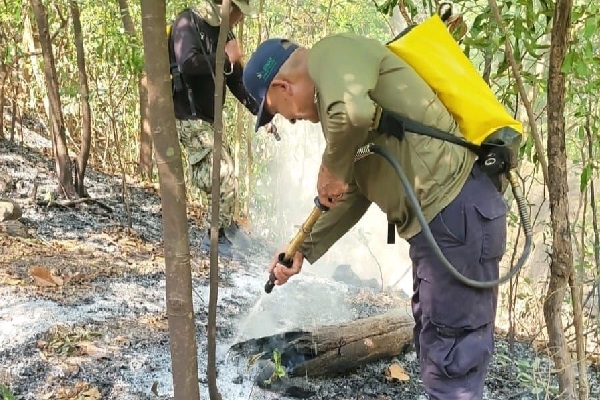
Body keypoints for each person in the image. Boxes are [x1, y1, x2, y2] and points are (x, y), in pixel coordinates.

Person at [242, 34, 508, 399]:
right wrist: (304, 248)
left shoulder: (330, 55)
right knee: (438, 349)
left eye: (278, 112)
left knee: (451, 364)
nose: (291, 120)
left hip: (455, 214)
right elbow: (351, 191)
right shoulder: (340, 100)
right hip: (444, 227)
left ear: (282, 86)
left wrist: (331, 166)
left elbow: (352, 116)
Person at [168, 0, 261, 242]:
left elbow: (237, 81)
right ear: (226, 5)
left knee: (230, 175)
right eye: (238, 11)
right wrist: (224, 56)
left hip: (211, 121)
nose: (240, 18)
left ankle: (224, 230)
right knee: (222, 174)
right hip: (189, 117)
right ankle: (215, 237)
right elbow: (187, 63)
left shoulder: (224, 32)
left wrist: (262, 112)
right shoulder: (187, 22)